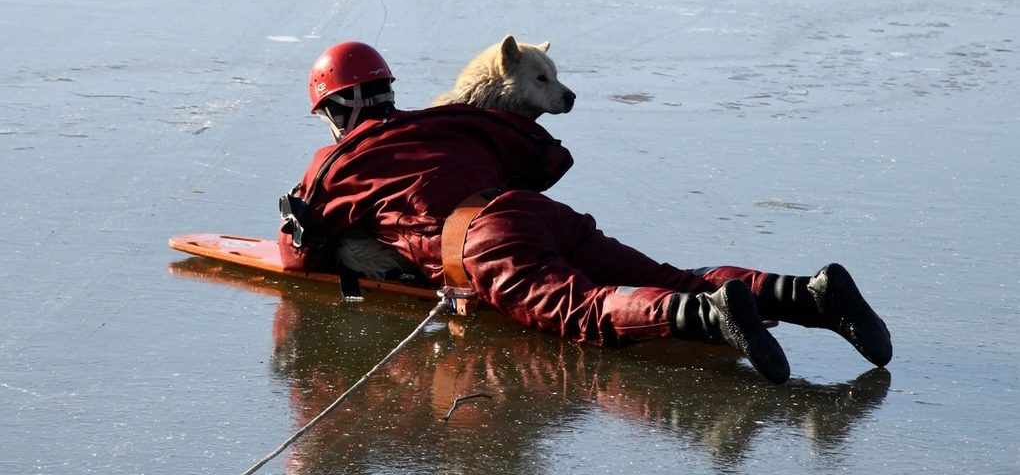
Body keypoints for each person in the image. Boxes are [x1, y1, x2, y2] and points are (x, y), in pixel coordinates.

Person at [278, 41, 893, 384]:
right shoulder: (447, 121)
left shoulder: (331, 167)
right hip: (535, 213)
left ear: (331, 112)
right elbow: (535, 158)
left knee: (587, 311)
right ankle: (808, 294)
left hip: (481, 245)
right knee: (673, 273)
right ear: (388, 92)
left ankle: (705, 317)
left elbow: (300, 255)